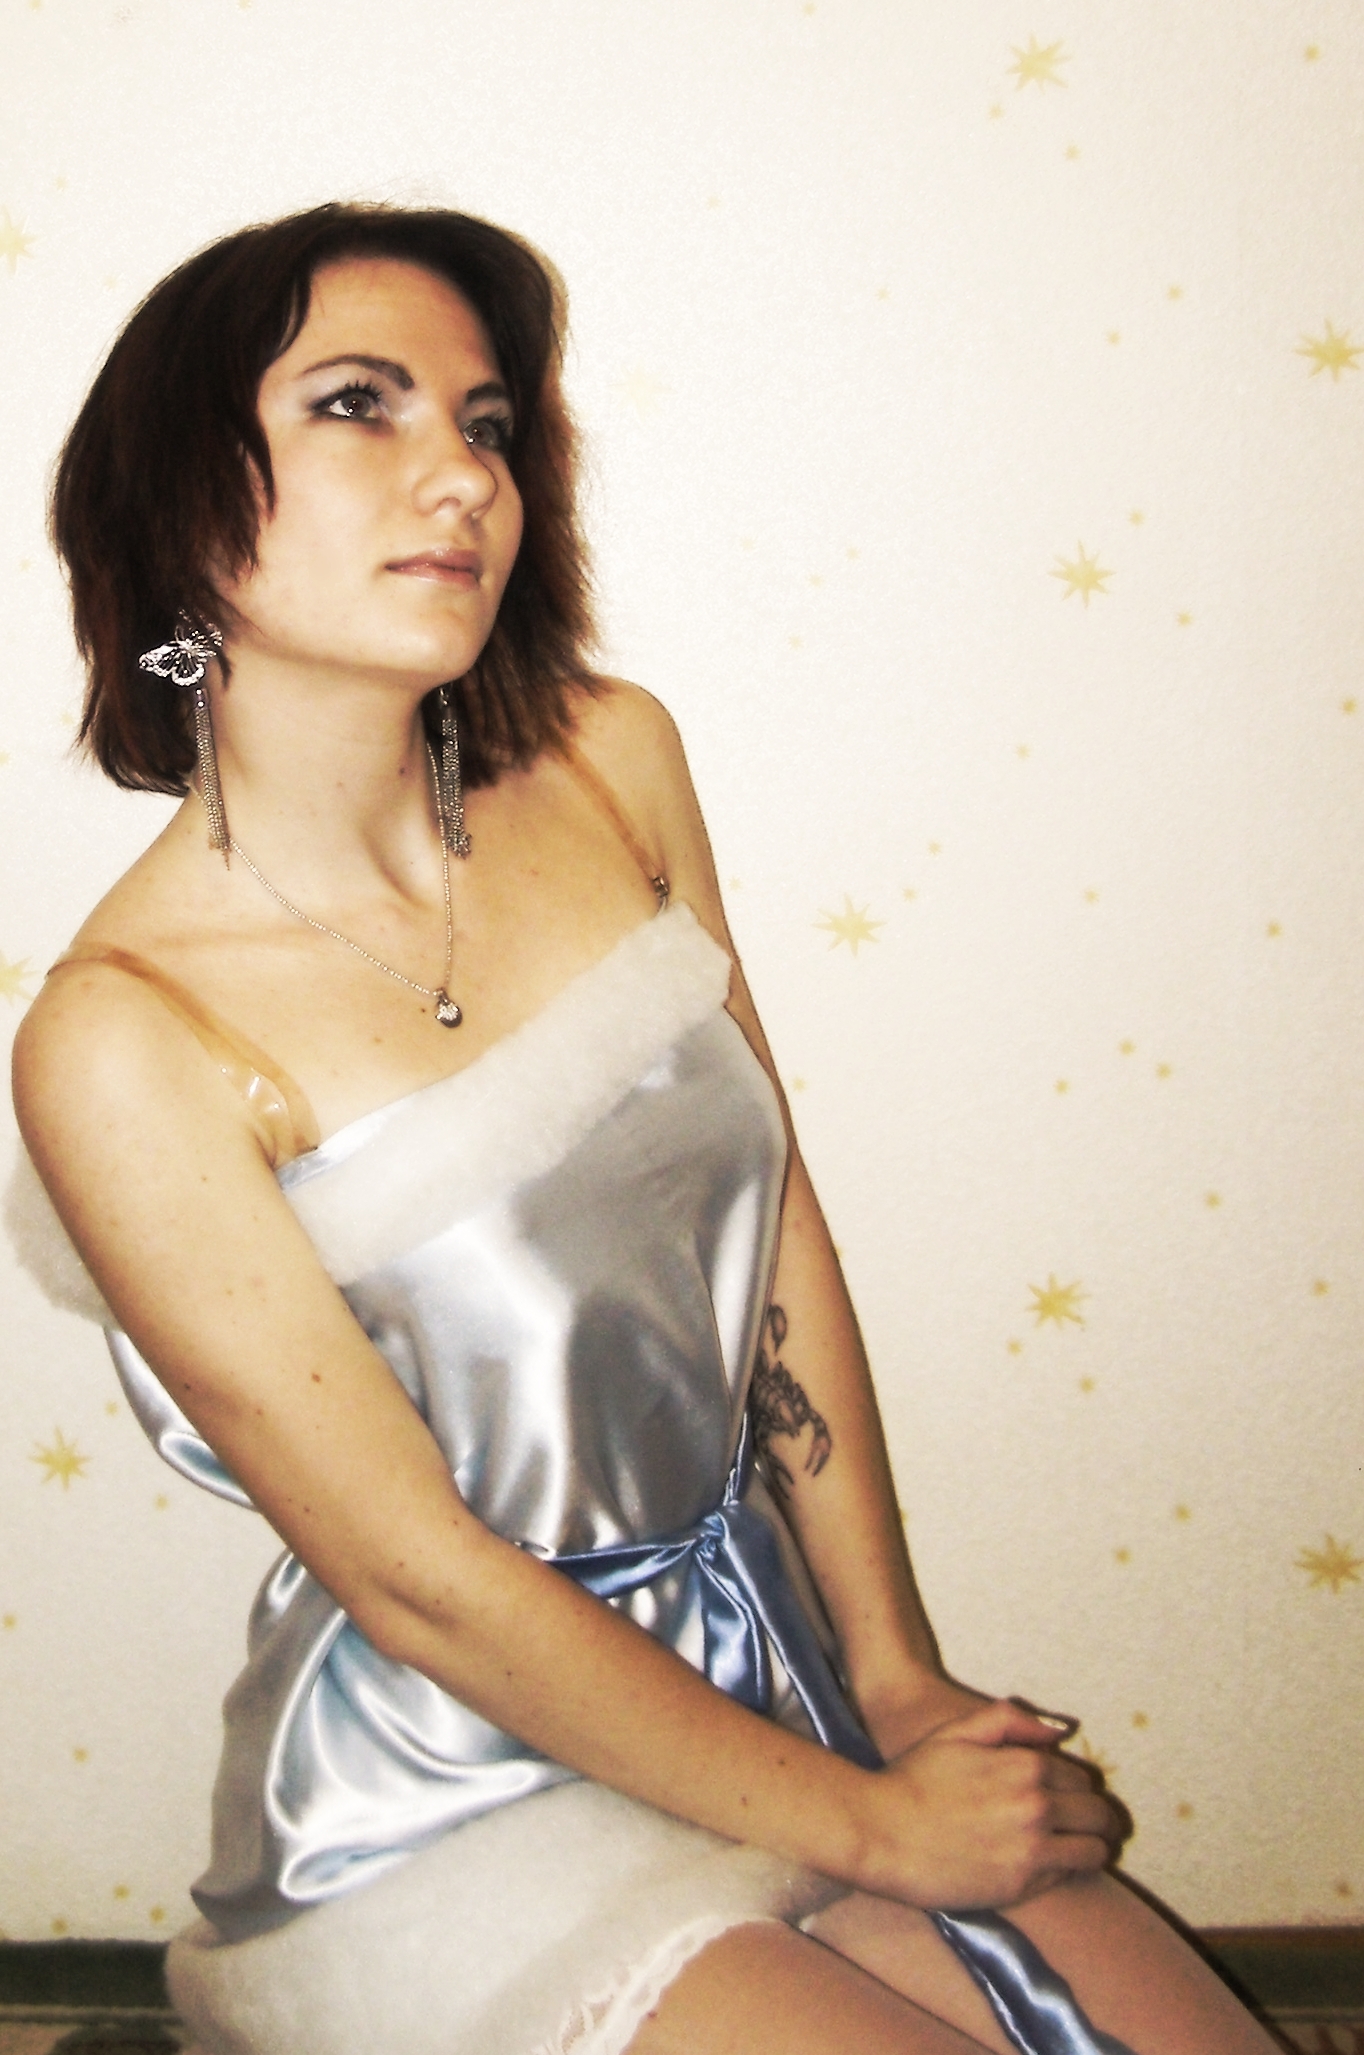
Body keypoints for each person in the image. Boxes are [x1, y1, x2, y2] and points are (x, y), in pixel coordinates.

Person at [9, 203, 1278, 2055]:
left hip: (782, 1657)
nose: (465, 474)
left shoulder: (613, 759)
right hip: (457, 1786)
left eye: (488, 422)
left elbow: (774, 1241)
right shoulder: (121, 1036)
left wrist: (895, 1677)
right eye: (360, 404)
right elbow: (417, 1581)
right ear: (170, 501)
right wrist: (878, 1832)